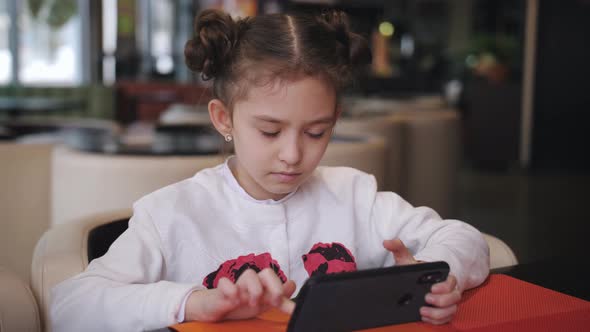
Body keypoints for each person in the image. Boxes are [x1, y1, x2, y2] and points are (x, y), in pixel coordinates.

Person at [51, 9, 489, 331]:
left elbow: (465, 238)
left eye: (316, 133)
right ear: (224, 118)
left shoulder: (355, 195)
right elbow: (70, 307)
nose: (293, 155)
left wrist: (437, 273)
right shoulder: (173, 213)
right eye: (269, 131)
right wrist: (192, 302)